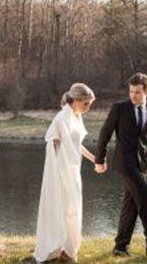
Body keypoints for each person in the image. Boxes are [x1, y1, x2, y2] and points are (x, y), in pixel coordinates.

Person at [94, 73, 147, 260]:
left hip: (141, 165)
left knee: (130, 206)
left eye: (138, 92)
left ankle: (120, 246)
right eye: (131, 91)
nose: (133, 95)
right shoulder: (119, 109)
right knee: (146, 200)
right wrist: (99, 159)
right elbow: (104, 134)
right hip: (124, 163)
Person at [34, 83, 100, 263]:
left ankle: (69, 249)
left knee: (73, 209)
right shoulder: (62, 117)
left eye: (89, 104)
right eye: (86, 104)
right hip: (62, 172)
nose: (88, 108)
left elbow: (76, 145)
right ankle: (60, 248)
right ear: (77, 100)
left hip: (73, 170)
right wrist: (53, 143)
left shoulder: (76, 116)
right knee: (65, 208)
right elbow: (52, 139)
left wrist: (94, 159)